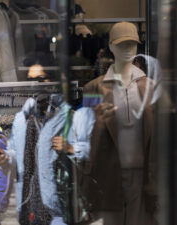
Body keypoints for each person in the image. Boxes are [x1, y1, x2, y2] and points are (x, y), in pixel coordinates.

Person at [83, 22, 158, 225]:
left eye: (132, 45)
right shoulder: (94, 88)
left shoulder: (151, 88)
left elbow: (160, 137)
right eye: (122, 44)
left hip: (144, 176)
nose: (128, 50)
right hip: (107, 173)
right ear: (111, 46)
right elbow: (85, 136)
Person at [0, 97, 95, 225]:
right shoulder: (21, 120)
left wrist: (71, 148)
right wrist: (6, 158)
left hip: (60, 206)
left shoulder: (71, 117)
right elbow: (16, 153)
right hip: (28, 204)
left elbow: (93, 152)